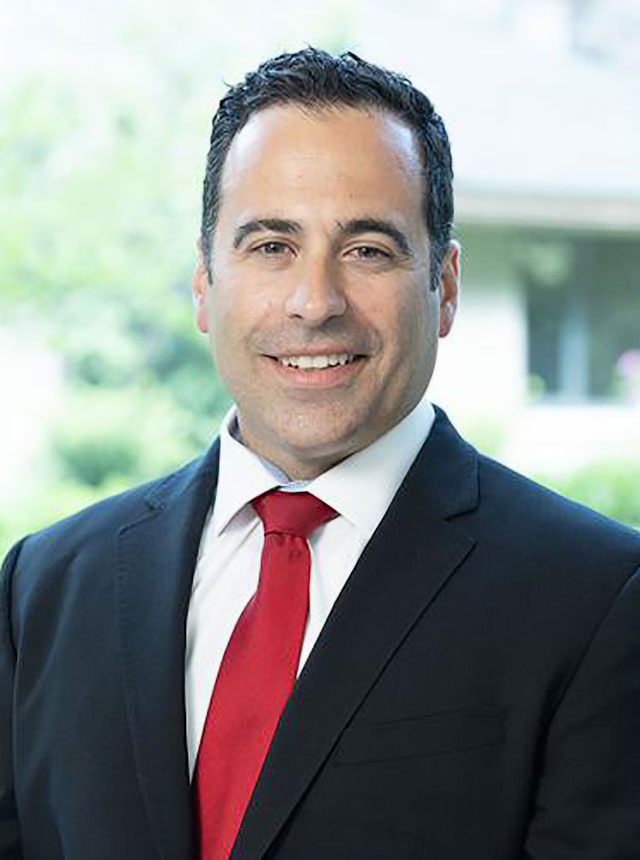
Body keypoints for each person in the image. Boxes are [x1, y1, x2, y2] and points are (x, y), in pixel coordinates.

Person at [1, 47, 639, 860]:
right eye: (271, 245)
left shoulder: (601, 601)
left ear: (444, 287)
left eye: (368, 249)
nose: (314, 302)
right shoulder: (43, 589)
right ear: (203, 283)